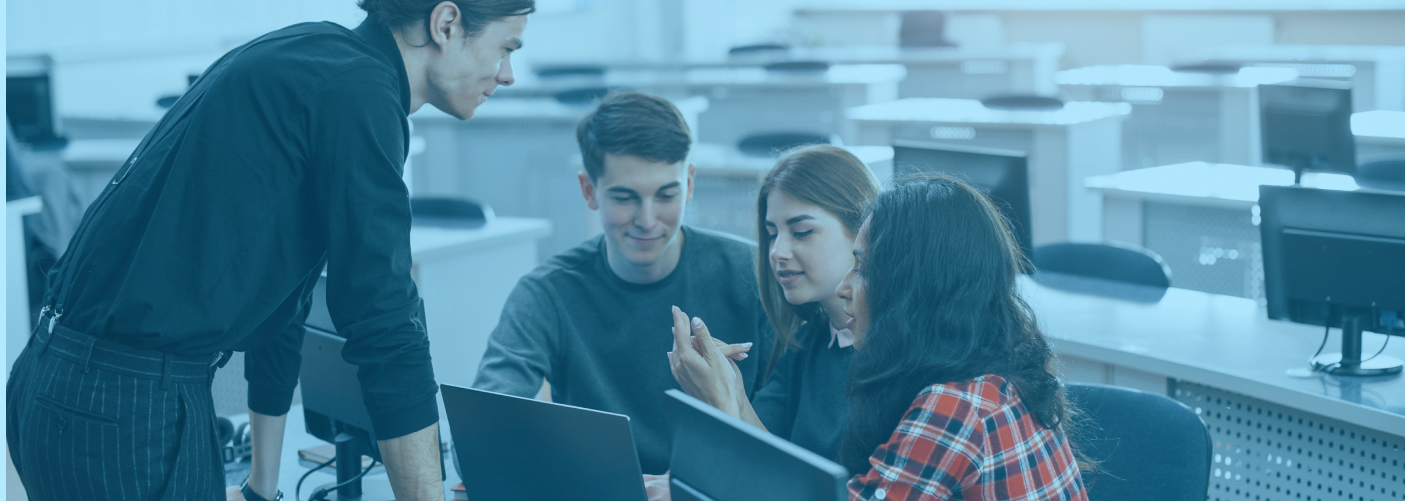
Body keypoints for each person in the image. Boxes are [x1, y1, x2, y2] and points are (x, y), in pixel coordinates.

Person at [5, 1, 535, 500]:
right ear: (446, 24)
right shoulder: (362, 93)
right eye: (507, 48)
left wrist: (263, 484)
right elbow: (386, 324)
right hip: (126, 407)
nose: (508, 74)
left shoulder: (313, 53)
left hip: (59, 382)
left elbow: (280, 301)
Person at [667, 175, 1088, 500]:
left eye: (864, 270)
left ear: (914, 289)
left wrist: (723, 405)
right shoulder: (983, 373)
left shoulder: (957, 405)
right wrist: (732, 393)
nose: (845, 287)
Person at [472, 91, 774, 475]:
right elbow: (481, 433)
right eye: (625, 198)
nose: (647, 219)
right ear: (588, 190)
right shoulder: (547, 294)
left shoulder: (754, 274)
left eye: (666, 195)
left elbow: (790, 443)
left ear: (690, 183)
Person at [668, 144, 878, 462]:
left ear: (862, 230)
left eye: (802, 232)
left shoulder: (896, 358)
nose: (777, 252)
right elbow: (767, 456)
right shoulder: (806, 344)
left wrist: (725, 400)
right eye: (771, 234)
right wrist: (731, 388)